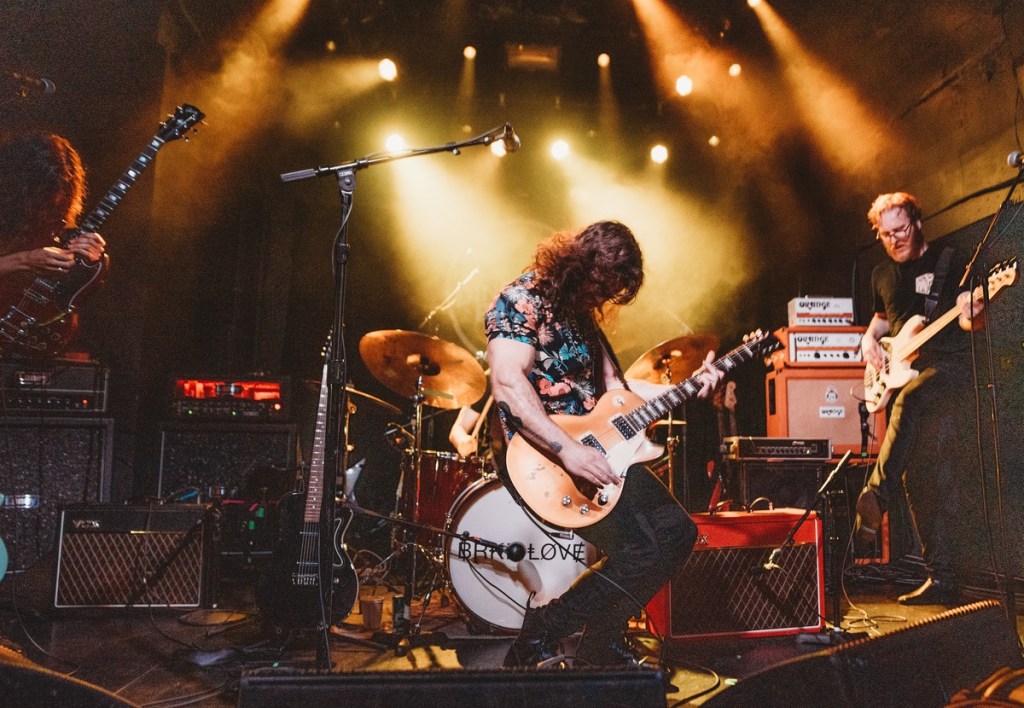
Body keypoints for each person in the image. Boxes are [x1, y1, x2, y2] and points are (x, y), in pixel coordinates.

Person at [484, 220, 722, 668]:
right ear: (581, 266)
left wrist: (689, 387)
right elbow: (508, 385)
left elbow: (620, 394)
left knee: (677, 533)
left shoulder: (581, 315)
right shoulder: (519, 300)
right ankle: (544, 630)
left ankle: (600, 644)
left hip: (598, 451)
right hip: (544, 459)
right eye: (602, 288)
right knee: (639, 551)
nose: (603, 300)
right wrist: (568, 451)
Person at [854, 192, 985, 606]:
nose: (894, 239)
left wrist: (973, 312)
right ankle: (942, 578)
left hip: (947, 370)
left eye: (901, 230)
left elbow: (973, 323)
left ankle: (876, 495)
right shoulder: (881, 274)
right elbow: (881, 321)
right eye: (886, 234)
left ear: (918, 222)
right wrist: (867, 341)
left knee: (908, 401)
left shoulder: (949, 259)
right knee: (920, 478)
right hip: (904, 373)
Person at [0, 130, 106, 280]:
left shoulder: (55, 212)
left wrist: (85, 253)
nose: (45, 212)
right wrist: (24, 260)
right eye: (40, 199)